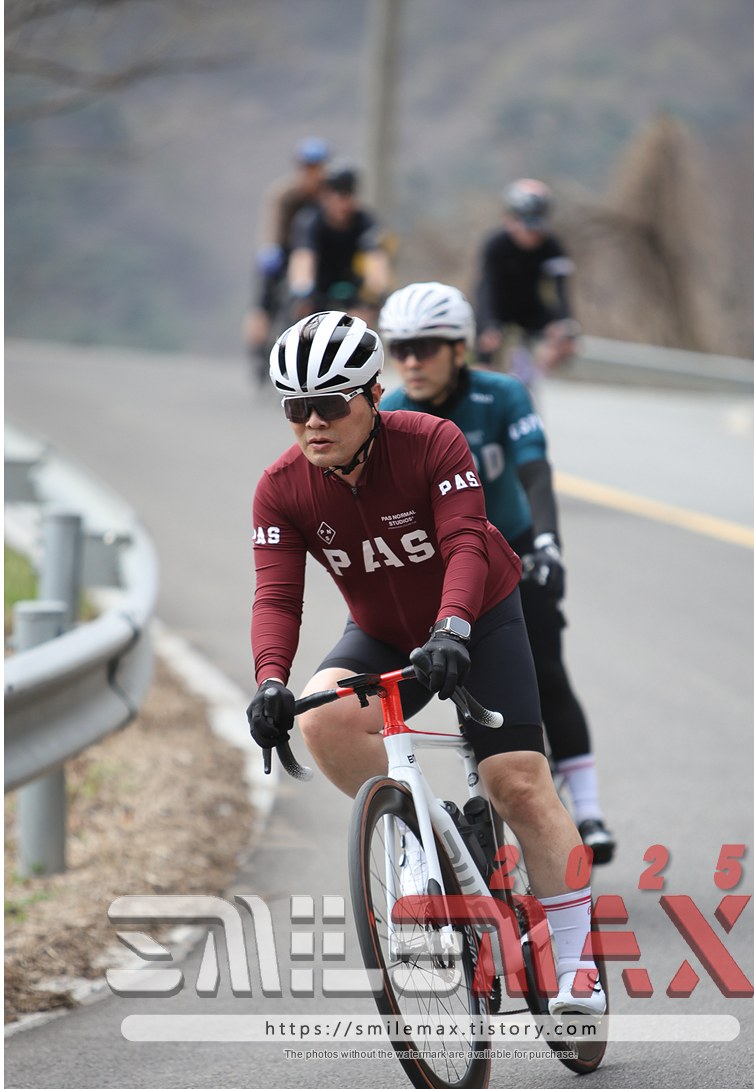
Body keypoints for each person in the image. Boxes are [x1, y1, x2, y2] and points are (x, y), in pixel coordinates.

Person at [247, 310, 604, 1017]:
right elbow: (277, 597)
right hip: (380, 631)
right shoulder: (281, 488)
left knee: (517, 782)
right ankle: (430, 835)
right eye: (295, 407)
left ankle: (578, 966)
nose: (312, 422)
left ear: (373, 397)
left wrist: (452, 629)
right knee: (322, 720)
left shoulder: (432, 441)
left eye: (330, 404)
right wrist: (270, 681)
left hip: (479, 617)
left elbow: (467, 541)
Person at [378, 282, 616, 863]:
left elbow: (534, 471)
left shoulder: (503, 393)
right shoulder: (390, 413)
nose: (411, 361)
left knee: (548, 672)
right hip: (446, 565)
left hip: (514, 549)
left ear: (459, 349)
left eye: (426, 347)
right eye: (400, 348)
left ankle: (587, 810)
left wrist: (548, 544)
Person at [475, 179, 579, 383]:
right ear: (511, 220)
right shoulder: (496, 244)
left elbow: (561, 290)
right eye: (527, 226)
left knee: (568, 339)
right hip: (497, 306)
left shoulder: (552, 246)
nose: (533, 235)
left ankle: (531, 377)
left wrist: (564, 324)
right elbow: (486, 288)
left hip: (530, 308)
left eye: (538, 227)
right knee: (486, 347)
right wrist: (489, 325)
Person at [245, 137, 333, 376]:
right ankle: (256, 348)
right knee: (264, 302)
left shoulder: (326, 195)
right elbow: (271, 226)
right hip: (281, 253)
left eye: (317, 167)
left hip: (310, 256)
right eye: (308, 167)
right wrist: (269, 249)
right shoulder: (284, 193)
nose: (313, 173)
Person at [285, 164, 389, 324]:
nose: (347, 202)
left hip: (351, 286)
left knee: (366, 316)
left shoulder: (365, 221)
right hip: (317, 285)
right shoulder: (310, 220)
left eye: (351, 194)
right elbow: (303, 258)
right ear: (325, 196)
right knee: (301, 310)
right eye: (341, 195)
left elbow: (375, 258)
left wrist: (375, 294)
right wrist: (303, 291)